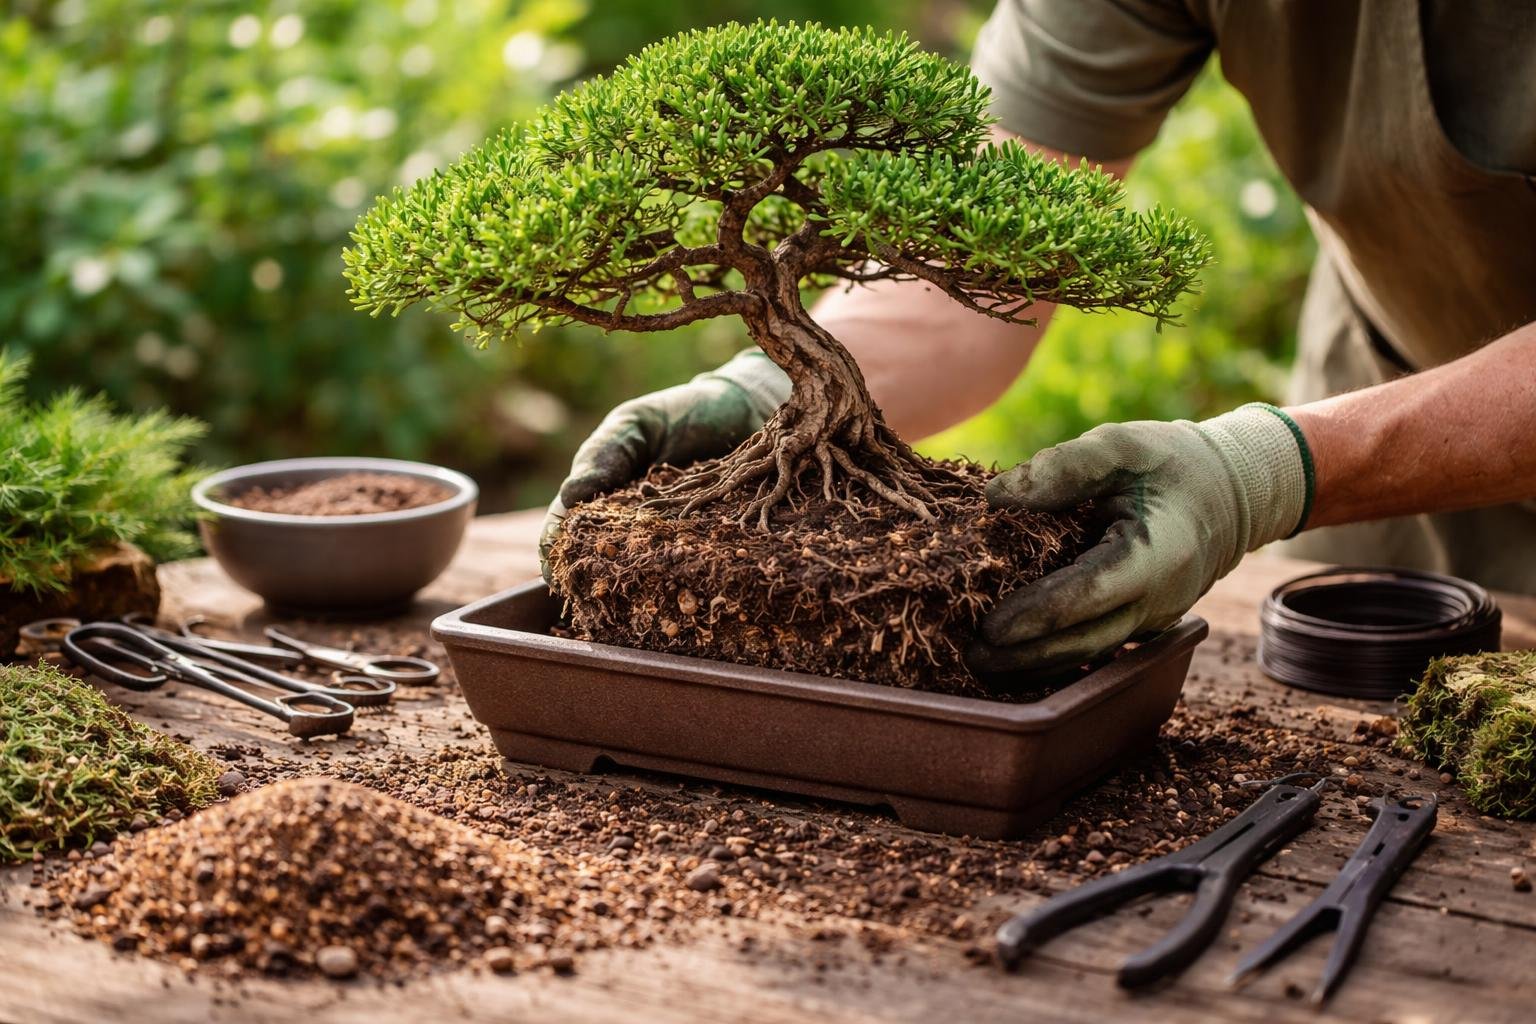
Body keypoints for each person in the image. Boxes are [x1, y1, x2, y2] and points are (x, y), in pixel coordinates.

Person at [542, 0, 1536, 675]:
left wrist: (1266, 470)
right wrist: (770, 394)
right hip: (1392, 441)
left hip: (1352, 444)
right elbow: (979, 257)